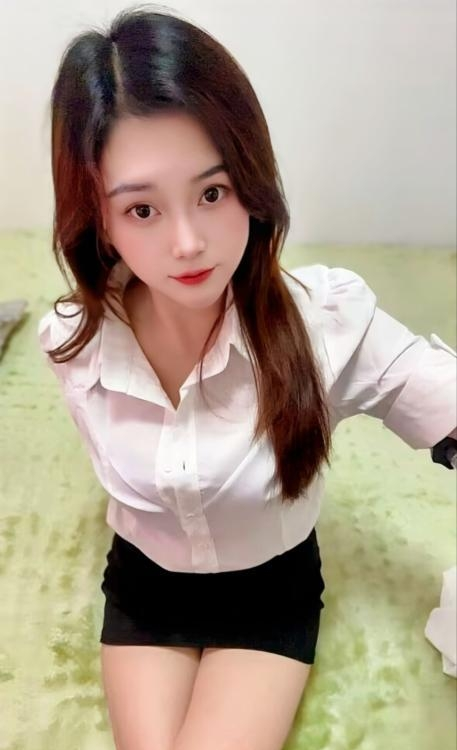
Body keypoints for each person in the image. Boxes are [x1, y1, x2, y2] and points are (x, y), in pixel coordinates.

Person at [37, 5, 457, 750]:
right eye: (142, 209)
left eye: (212, 193)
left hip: (269, 591)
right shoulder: (77, 342)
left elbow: (431, 391)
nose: (188, 242)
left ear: (251, 183)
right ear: (99, 219)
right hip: (144, 583)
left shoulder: (325, 322)